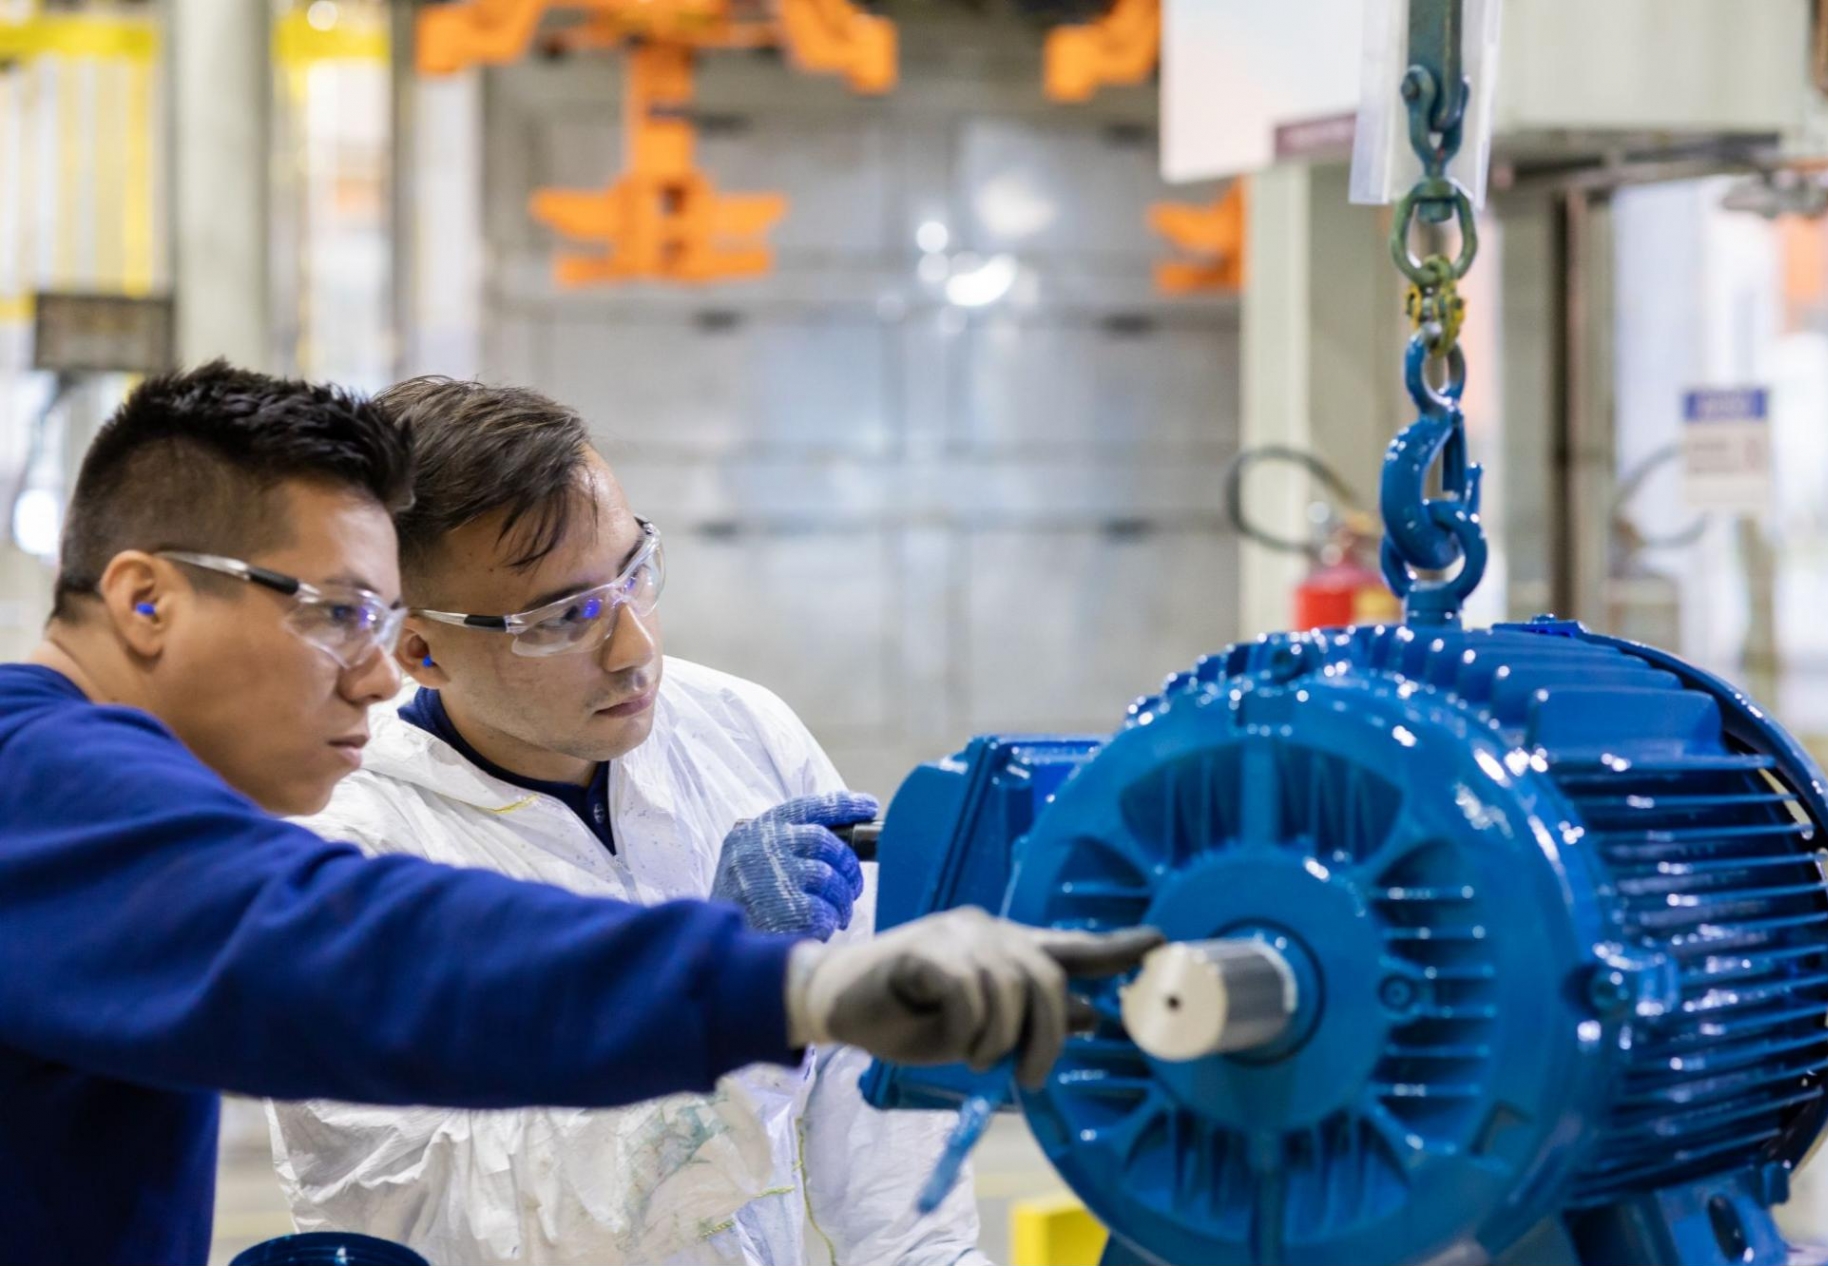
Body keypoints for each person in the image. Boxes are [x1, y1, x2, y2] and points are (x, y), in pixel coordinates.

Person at [0, 362, 1161, 1266]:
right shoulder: (56, 796)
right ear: (145, 597)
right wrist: (770, 986)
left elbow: (872, 1121)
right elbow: (376, 955)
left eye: (634, 572)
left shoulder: (736, 730)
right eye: (339, 615)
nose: (367, 675)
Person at [264, 378, 984, 1265]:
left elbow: (867, 1074)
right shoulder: (348, 863)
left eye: (634, 574)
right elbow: (447, 1224)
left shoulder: (737, 729)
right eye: (566, 618)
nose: (636, 647)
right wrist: (722, 997)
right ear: (420, 647)